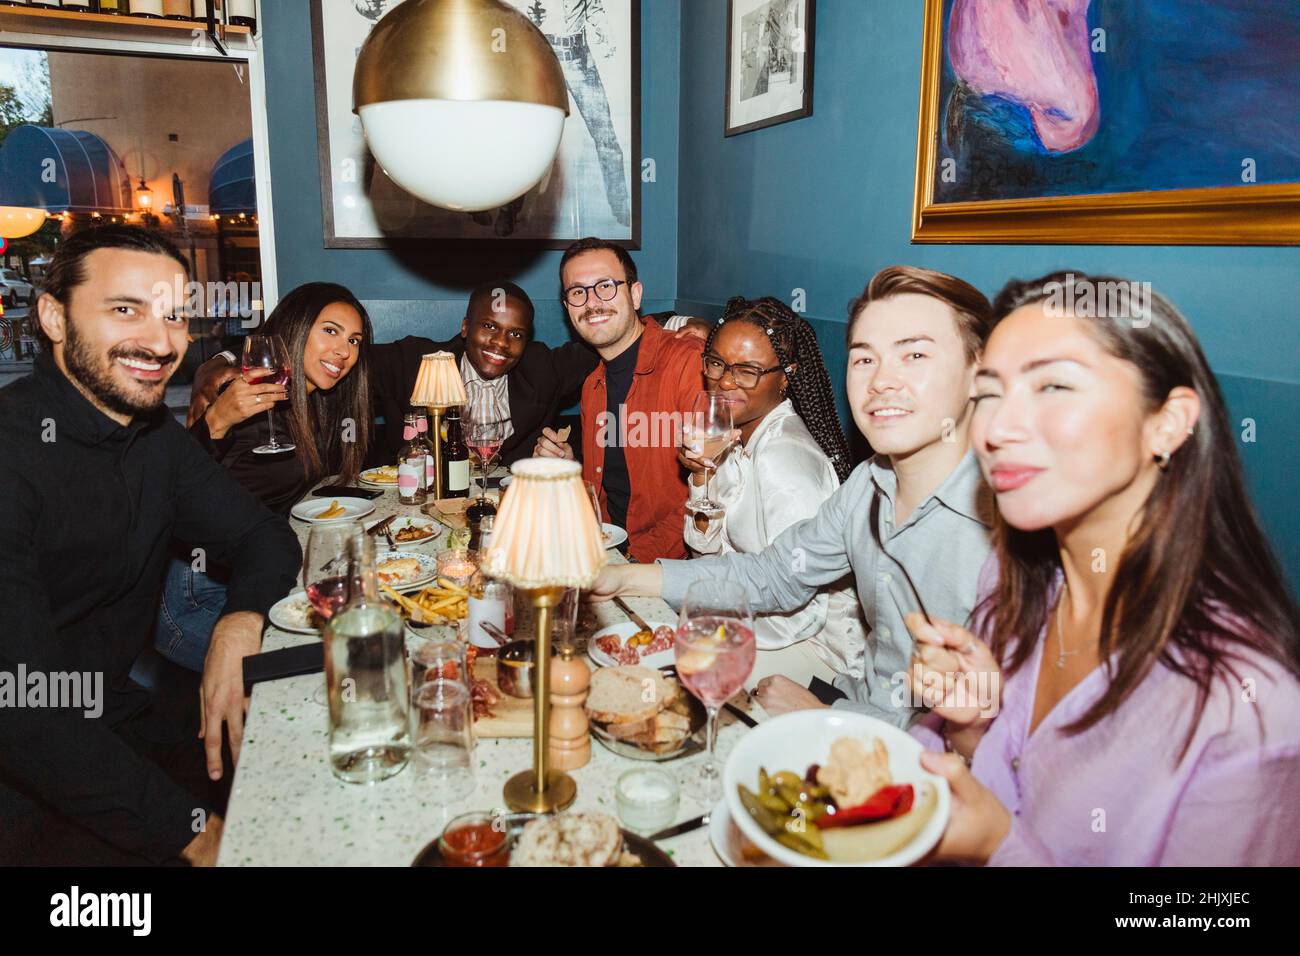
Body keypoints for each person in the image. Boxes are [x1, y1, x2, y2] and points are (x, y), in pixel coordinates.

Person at [910, 273, 1300, 866]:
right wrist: (969, 728)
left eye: (1055, 386)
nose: (998, 430)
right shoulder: (1012, 584)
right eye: (988, 394)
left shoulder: (1249, 705)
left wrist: (1001, 850)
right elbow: (996, 783)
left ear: (1167, 423)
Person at [0, 225, 301, 865]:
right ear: (54, 317)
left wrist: (239, 623)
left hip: (109, 716)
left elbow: (262, 534)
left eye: (174, 316)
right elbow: (23, 709)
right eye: (124, 309)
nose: (161, 341)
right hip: (23, 773)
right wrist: (198, 837)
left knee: (293, 761)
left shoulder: (153, 436)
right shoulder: (13, 451)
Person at [587, 266, 996, 725]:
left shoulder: (1003, 534)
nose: (882, 380)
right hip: (856, 699)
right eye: (865, 358)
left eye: (915, 355)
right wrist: (622, 579)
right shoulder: (868, 485)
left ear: (978, 372)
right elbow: (773, 575)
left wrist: (829, 713)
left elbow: (985, 742)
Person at [187, 280, 707, 469]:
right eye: (488, 326)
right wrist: (229, 360)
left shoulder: (545, 368)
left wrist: (679, 322)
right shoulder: (416, 361)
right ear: (464, 326)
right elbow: (326, 354)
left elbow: (611, 334)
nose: (500, 343)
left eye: (515, 334)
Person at [156, 283, 374, 674]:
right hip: (198, 594)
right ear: (294, 328)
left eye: (354, 340)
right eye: (330, 330)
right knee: (338, 662)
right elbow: (168, 490)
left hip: (256, 577)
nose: (344, 351)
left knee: (364, 629)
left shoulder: (319, 404)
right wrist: (216, 421)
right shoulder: (245, 396)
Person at [678, 295, 863, 687]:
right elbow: (704, 549)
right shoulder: (732, 432)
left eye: (747, 371)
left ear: (785, 376)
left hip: (817, 653)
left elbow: (803, 611)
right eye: (716, 363)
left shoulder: (785, 460)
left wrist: (716, 632)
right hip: (754, 620)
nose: (725, 381)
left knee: (689, 673)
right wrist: (700, 479)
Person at [534, 237, 706, 563]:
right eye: (577, 292)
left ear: (635, 294)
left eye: (605, 286)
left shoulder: (687, 362)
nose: (591, 302)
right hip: (609, 552)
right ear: (567, 307)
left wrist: (631, 562)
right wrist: (569, 469)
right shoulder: (592, 386)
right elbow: (605, 492)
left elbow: (707, 494)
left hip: (669, 566)